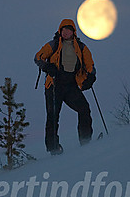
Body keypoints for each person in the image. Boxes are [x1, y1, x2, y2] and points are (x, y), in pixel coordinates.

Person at [34, 19, 96, 154]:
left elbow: (89, 64)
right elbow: (38, 57)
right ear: (59, 31)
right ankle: (53, 148)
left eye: (68, 29)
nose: (65, 32)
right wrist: (47, 67)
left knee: (84, 109)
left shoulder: (81, 47)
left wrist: (90, 77)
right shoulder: (54, 44)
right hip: (54, 85)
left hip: (71, 85)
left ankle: (86, 141)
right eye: (63, 29)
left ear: (73, 31)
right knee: (53, 115)